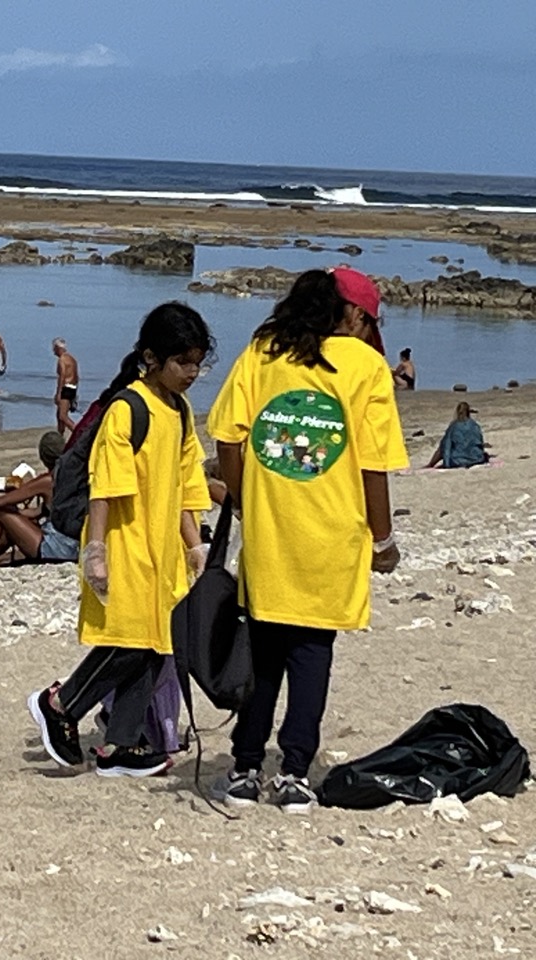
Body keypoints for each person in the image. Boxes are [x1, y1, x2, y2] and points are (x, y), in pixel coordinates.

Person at [207, 266, 407, 815]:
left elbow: (227, 435)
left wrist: (246, 498)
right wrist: (383, 539)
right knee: (313, 653)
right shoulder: (366, 367)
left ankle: (246, 766)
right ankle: (295, 771)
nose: (370, 333)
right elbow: (372, 465)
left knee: (263, 652)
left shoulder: (264, 351)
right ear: (351, 314)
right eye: (370, 321)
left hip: (271, 533)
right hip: (333, 535)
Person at [27, 302, 213, 778]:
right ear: (152, 358)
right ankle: (62, 702)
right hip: (125, 541)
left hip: (164, 547)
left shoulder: (181, 410)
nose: (192, 373)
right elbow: (105, 486)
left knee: (158, 645)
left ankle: (121, 743)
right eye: (182, 362)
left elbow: (185, 485)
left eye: (197, 362)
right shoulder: (128, 409)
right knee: (130, 641)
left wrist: (195, 546)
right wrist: (97, 554)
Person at [0, 432, 73, 569]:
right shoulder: (70, 477)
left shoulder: (47, 480)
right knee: (12, 522)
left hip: (55, 550)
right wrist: (16, 515)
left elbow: (1, 502)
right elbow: (36, 512)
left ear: (43, 457)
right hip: (72, 548)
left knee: (0, 514)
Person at [427, 401, 487, 468]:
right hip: (477, 459)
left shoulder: (453, 427)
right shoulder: (475, 425)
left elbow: (446, 447)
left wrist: (446, 464)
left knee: (442, 447)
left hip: (458, 460)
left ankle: (430, 465)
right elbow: (480, 443)